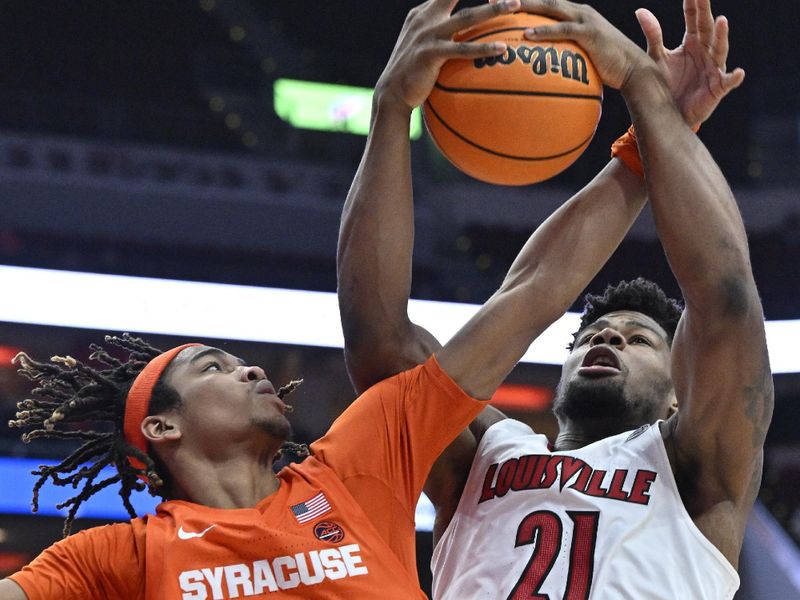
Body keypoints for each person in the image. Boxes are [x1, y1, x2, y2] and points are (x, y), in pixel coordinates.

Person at [0, 5, 650, 598]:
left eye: (237, 361)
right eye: (213, 369)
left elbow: (534, 294)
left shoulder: (355, 468)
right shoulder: (121, 556)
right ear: (162, 426)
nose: (251, 370)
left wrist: (648, 144)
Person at [337, 0, 771, 597]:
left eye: (639, 339)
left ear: (679, 394)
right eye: (591, 335)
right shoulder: (481, 456)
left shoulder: (697, 472)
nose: (609, 337)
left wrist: (644, 89)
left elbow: (725, 295)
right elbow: (379, 341)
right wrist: (390, 108)